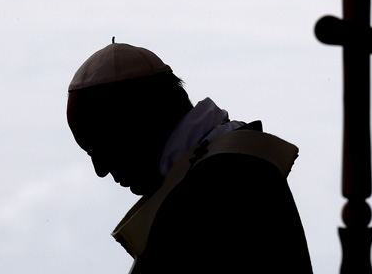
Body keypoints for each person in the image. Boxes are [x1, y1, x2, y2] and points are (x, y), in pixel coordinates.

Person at [66, 41, 313, 273]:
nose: (100, 169)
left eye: (100, 148)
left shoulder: (218, 182)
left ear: (139, 120)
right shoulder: (224, 167)